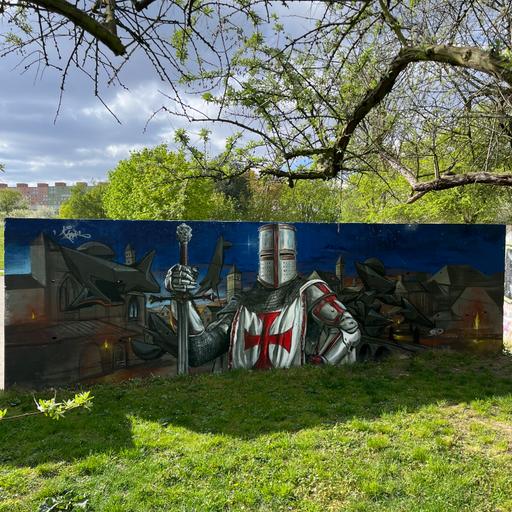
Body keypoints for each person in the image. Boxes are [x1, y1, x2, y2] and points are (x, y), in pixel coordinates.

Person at [165, 223, 360, 369]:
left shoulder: (309, 291)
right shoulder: (242, 303)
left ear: (294, 255)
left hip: (297, 391)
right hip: (245, 395)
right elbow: (200, 351)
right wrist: (180, 296)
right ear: (260, 258)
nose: (276, 262)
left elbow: (349, 329)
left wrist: (324, 362)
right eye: (268, 256)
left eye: (285, 255)